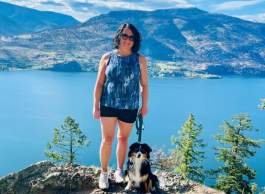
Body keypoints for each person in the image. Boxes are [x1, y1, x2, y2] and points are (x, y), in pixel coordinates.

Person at [92, 23, 149, 189]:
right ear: (118, 36)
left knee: (123, 139)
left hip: (130, 106)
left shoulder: (140, 59)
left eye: (131, 37)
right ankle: (103, 173)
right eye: (125, 35)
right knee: (107, 139)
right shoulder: (107, 57)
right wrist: (95, 106)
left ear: (135, 40)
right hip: (108, 104)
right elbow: (99, 83)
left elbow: (144, 85)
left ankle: (118, 170)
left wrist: (144, 106)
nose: (127, 40)